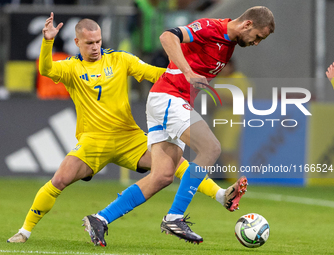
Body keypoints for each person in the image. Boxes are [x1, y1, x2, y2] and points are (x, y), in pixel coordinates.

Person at [7, 12, 242, 245]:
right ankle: (24, 231)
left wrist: (188, 77)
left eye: (98, 41)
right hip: (93, 142)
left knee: (172, 165)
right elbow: (46, 70)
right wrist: (48, 42)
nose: (95, 47)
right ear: (77, 42)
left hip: (129, 137)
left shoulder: (120, 59)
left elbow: (156, 74)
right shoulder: (70, 67)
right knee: (59, 180)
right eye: (89, 43)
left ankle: (220, 195)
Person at [84, 6, 274, 246]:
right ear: (248, 24)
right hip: (168, 97)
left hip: (170, 100)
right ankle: (174, 217)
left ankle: (100, 218)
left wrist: (221, 195)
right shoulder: (211, 27)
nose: (256, 43)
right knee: (211, 148)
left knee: (162, 176)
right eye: (258, 37)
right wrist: (188, 72)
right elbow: (167, 36)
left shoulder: (229, 45)